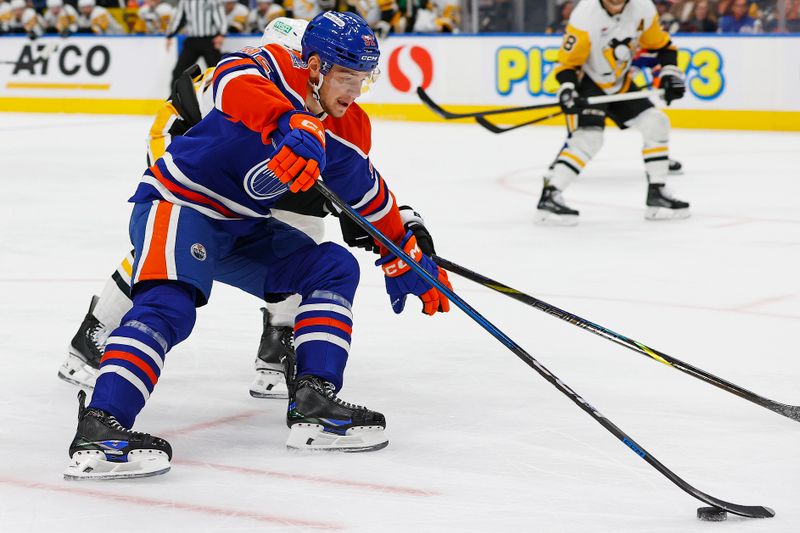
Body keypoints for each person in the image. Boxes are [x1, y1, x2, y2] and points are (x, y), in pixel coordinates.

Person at [64, 11, 452, 480]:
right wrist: (288, 121)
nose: (354, 92)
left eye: (363, 80)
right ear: (314, 66)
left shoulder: (347, 128)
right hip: (181, 204)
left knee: (332, 266)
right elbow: (229, 78)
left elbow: (370, 197)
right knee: (168, 306)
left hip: (242, 228)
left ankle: (314, 403)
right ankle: (101, 429)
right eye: (346, 77)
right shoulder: (269, 68)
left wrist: (405, 254)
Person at [536, 0, 688, 225]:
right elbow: (568, 64)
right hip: (589, 83)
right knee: (589, 138)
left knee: (656, 121)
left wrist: (669, 73)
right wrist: (568, 89)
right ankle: (551, 194)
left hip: (620, 83)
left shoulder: (643, 8)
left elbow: (662, 47)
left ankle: (657, 193)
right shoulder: (585, 16)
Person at [166, 0, 227, 89]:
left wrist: (221, 34)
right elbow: (178, 19)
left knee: (217, 71)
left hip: (209, 40)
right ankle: (175, 100)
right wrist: (170, 35)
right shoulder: (185, 2)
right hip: (192, 41)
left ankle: (221, 96)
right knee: (178, 72)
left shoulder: (213, 1)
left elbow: (220, 17)